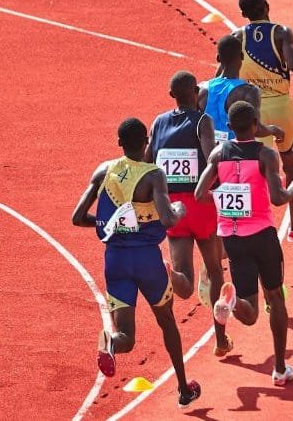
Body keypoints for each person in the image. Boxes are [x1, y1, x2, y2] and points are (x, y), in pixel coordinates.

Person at [71, 118, 202, 409]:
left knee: (126, 338)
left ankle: (111, 344)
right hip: (146, 260)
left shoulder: (103, 171)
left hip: (115, 260)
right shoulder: (153, 174)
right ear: (147, 143)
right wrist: (178, 210)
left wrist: (112, 228)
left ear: (119, 143)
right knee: (167, 321)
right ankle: (183, 388)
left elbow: (78, 217)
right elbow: (168, 219)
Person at [194, 101, 293, 386]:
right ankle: (279, 370)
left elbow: (199, 193)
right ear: (256, 124)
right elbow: (278, 198)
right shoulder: (265, 155)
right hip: (262, 235)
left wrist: (222, 196)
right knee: (275, 298)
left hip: (232, 238)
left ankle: (231, 303)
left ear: (229, 127)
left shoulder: (219, 154)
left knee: (251, 312)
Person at [148, 71, 232, 357]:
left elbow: (148, 161)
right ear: (196, 92)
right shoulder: (202, 121)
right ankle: (220, 339)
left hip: (172, 207)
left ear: (172, 95)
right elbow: (211, 159)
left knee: (183, 282)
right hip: (201, 203)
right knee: (214, 268)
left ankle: (169, 273)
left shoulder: (159, 122)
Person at [233, 0, 293, 241]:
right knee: (289, 164)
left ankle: (257, 225)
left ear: (244, 14)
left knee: (256, 169)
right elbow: (292, 63)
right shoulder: (281, 32)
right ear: (266, 5)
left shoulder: (237, 36)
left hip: (254, 110)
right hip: (282, 107)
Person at [201, 34, 284, 147]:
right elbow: (257, 129)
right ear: (241, 56)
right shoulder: (248, 92)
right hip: (233, 155)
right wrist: (274, 130)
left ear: (218, 58)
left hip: (206, 154)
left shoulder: (202, 89)